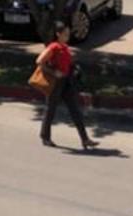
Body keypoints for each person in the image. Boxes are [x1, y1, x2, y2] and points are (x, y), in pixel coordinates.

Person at [36, 21, 94, 151]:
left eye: (68, 34)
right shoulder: (53, 47)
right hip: (56, 83)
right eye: (65, 34)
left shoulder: (65, 47)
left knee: (75, 110)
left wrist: (75, 68)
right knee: (50, 110)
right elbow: (39, 61)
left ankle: (85, 139)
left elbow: (68, 63)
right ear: (58, 34)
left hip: (67, 82)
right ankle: (45, 136)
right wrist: (53, 72)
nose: (67, 36)